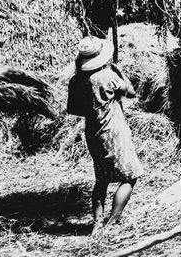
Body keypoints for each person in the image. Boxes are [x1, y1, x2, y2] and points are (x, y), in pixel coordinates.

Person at [66, 36, 143, 235]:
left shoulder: (76, 81)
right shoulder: (108, 76)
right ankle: (111, 223)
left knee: (102, 179)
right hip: (114, 130)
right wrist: (121, 73)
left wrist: (94, 107)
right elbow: (132, 92)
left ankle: (97, 223)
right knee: (130, 176)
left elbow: (73, 108)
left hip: (93, 132)